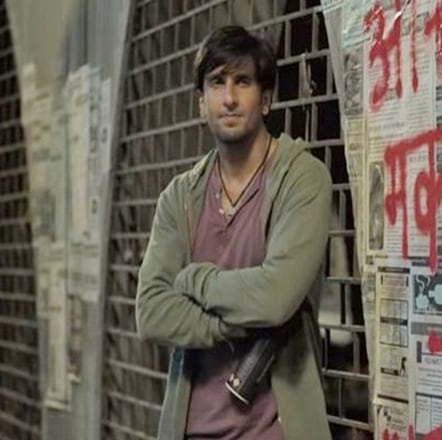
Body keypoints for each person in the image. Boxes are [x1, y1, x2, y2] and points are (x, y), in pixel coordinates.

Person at [135, 25, 333, 440]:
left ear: (266, 99)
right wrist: (243, 322)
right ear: (200, 103)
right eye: (217, 82)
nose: (229, 97)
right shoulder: (180, 198)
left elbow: (277, 297)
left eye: (243, 81)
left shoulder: (301, 179)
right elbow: (151, 312)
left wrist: (194, 280)